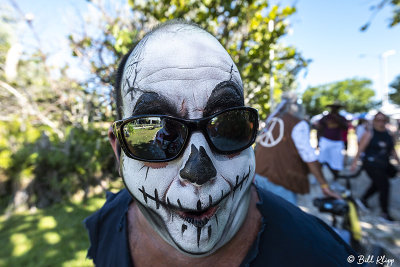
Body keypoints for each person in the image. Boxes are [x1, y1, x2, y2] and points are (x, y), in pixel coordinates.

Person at [84, 20, 357, 266]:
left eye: (229, 125)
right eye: (158, 131)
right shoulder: (107, 225)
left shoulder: (319, 256)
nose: (198, 172)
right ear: (119, 150)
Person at [255, 94, 340, 205]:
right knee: (285, 217)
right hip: (279, 180)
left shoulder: (272, 119)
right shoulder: (298, 123)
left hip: (259, 173)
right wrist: (324, 185)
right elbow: (309, 156)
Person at [351, 111, 400, 222]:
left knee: (379, 183)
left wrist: (398, 162)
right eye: (378, 120)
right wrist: (354, 163)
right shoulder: (369, 134)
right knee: (384, 186)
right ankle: (384, 213)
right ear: (374, 121)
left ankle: (363, 199)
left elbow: (392, 150)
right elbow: (360, 149)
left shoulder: (389, 134)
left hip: (384, 163)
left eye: (383, 120)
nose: (380, 122)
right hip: (371, 164)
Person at [318, 102, 348, 177]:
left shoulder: (341, 118)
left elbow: (346, 127)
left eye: (336, 108)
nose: (334, 109)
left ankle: (335, 179)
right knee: (321, 160)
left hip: (337, 142)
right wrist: (318, 141)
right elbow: (319, 128)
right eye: (333, 107)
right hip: (326, 140)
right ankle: (318, 177)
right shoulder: (325, 117)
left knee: (336, 162)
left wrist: (337, 119)